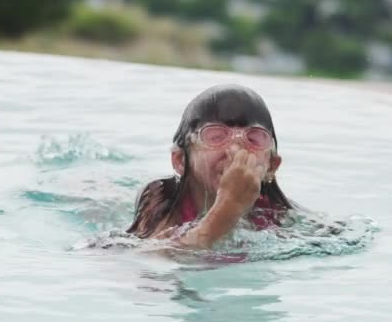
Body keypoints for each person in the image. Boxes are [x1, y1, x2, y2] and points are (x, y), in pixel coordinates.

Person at [127, 84, 324, 249]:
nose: (236, 149)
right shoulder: (163, 202)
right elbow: (148, 259)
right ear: (180, 161)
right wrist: (229, 208)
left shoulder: (279, 216)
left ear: (271, 166)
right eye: (216, 136)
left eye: (254, 138)